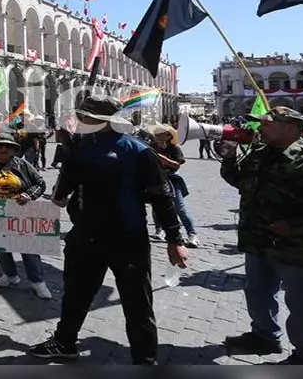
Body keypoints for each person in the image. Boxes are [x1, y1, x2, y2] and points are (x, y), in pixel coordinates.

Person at [28, 95, 187, 364]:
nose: (78, 121)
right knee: (75, 294)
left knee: (137, 302)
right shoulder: (79, 146)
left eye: (84, 117)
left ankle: (145, 360)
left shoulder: (138, 151)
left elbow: (162, 197)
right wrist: (61, 193)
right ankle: (65, 342)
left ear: (102, 122)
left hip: (127, 237)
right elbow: (68, 180)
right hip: (85, 234)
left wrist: (174, 239)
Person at [220, 107, 303, 365]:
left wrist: (296, 226)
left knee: (302, 305)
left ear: (290, 128)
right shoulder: (258, 155)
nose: (259, 128)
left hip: (294, 248)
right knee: (257, 292)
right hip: (257, 241)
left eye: (266, 123)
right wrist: (229, 158)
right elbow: (240, 182)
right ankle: (265, 337)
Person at [0, 132, 51, 299]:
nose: (3, 149)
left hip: (21, 213)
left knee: (29, 249)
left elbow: (40, 184)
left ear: (15, 149)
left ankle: (37, 282)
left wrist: (29, 195)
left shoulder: (23, 165)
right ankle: (10, 275)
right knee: (0, 248)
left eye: (8, 146)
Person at [147, 124, 199, 248]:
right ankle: (159, 231)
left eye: (160, 133)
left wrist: (163, 158)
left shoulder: (174, 148)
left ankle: (192, 234)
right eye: (156, 134)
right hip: (157, 180)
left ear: (168, 135)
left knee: (180, 208)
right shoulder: (151, 148)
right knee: (156, 208)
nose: (157, 136)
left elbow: (177, 165)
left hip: (172, 179)